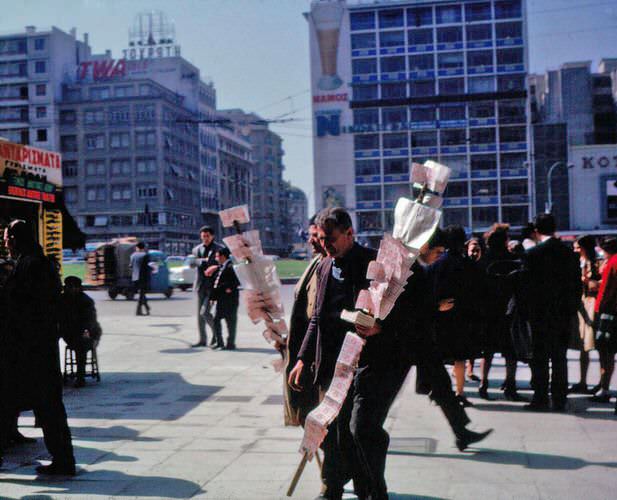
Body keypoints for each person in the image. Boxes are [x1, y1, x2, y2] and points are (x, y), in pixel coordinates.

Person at [0, 220, 75, 475]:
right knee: (49, 407)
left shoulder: (30, 266)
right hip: (38, 348)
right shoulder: (36, 263)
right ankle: (64, 459)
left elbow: (21, 308)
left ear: (14, 238)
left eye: (6, 237)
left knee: (39, 405)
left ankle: (64, 460)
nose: (5, 242)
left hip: (27, 350)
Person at [406, 229, 492, 451]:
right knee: (380, 400)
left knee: (442, 386)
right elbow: (409, 308)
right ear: (425, 247)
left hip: (422, 341)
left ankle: (462, 432)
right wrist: (436, 306)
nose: (439, 255)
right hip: (405, 343)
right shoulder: (411, 268)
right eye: (438, 251)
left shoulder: (424, 266)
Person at [523, 213, 581, 412]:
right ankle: (559, 398)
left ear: (537, 230)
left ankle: (540, 398)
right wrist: (571, 309)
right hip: (562, 314)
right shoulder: (569, 254)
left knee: (539, 357)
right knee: (559, 357)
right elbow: (576, 287)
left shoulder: (532, 255)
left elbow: (527, 288)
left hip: (539, 314)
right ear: (555, 228)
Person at [431, 225, 483, 408]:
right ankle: (459, 392)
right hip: (463, 317)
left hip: (441, 315)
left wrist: (437, 305)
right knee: (459, 357)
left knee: (438, 358)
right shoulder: (469, 265)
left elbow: (429, 290)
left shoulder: (437, 264)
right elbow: (477, 293)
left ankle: (438, 393)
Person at [284, 214, 326, 427]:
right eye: (310, 236)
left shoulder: (330, 265)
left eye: (315, 236)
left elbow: (317, 316)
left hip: (316, 353)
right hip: (304, 347)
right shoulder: (316, 263)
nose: (310, 240)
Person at [480, 224, 523, 402]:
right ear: (505, 240)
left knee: (487, 352)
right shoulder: (513, 260)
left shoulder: (483, 261)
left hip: (489, 312)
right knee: (510, 353)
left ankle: (483, 384)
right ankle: (510, 385)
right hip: (509, 310)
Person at [569, 235, 600, 394]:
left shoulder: (594, 264)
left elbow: (595, 285)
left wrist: (584, 279)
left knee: (592, 344)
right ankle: (582, 381)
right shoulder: (580, 262)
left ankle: (598, 382)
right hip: (582, 303)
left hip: (590, 303)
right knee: (583, 346)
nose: (575, 250)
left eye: (577, 247)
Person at [58, 276, 102, 388]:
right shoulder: (62, 299)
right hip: (69, 331)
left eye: (73, 287)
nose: (71, 289)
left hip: (86, 332)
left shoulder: (85, 301)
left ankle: (80, 377)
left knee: (81, 345)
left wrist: (87, 332)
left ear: (79, 288)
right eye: (69, 287)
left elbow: (90, 320)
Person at [590, 236, 617, 406]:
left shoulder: (612, 263)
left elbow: (606, 289)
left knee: (606, 351)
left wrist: (598, 309)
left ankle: (604, 387)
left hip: (609, 312)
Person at [191, 226, 224, 347]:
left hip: (213, 286)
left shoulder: (219, 248)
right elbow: (192, 263)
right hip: (200, 285)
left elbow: (224, 264)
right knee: (199, 316)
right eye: (203, 236)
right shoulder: (196, 249)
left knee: (204, 312)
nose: (205, 239)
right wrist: (201, 261)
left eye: (207, 236)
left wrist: (211, 264)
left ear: (212, 236)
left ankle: (216, 335)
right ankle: (202, 340)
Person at [210, 247, 240, 350]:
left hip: (229, 300)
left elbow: (235, 281)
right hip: (221, 299)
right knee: (216, 320)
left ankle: (230, 343)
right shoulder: (221, 267)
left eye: (217, 256)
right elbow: (216, 283)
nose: (216, 258)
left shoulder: (231, 267)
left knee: (230, 322)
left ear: (223, 256)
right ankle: (220, 342)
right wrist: (213, 297)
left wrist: (227, 288)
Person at [464, 237, 484, 383]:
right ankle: (463, 368)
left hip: (478, 311)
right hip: (467, 310)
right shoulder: (464, 266)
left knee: (475, 343)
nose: (475, 253)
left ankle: (469, 368)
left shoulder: (483, 266)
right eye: (473, 250)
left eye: (477, 250)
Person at [129, 242, 150, 316]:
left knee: (142, 293)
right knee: (142, 293)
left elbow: (130, 266)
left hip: (135, 277)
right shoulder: (145, 255)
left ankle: (147, 307)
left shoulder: (132, 255)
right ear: (143, 248)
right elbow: (146, 268)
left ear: (137, 247)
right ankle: (138, 310)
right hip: (143, 277)